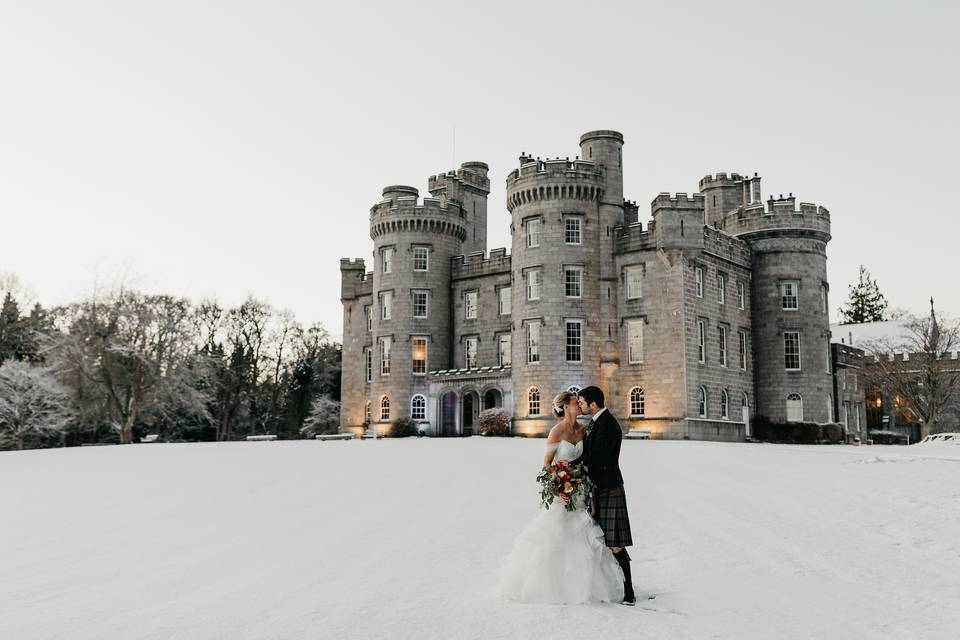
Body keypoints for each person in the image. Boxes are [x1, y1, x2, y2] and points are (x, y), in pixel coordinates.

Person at [498, 391, 623, 604]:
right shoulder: (556, 431)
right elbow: (547, 463)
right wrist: (560, 480)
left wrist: (579, 479)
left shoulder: (584, 430)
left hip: (581, 491)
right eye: (576, 403)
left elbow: (589, 458)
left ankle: (587, 586)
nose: (580, 406)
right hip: (561, 493)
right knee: (556, 535)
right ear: (566, 406)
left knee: (585, 535)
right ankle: (551, 586)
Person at [576, 385, 636, 605]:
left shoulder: (608, 424)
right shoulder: (595, 422)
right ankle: (614, 583)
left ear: (593, 404)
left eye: (581, 402)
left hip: (609, 487)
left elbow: (597, 458)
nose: (579, 405)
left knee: (615, 543)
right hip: (597, 488)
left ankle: (629, 589)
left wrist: (576, 468)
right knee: (599, 539)